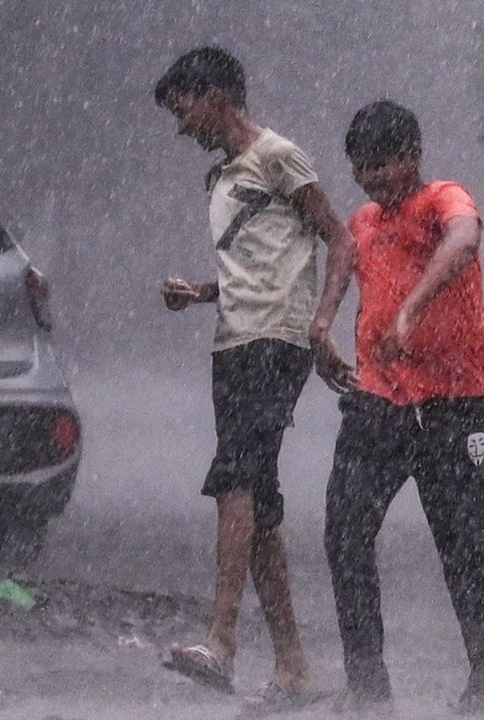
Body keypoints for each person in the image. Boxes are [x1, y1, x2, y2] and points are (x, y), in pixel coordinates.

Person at [151, 46, 357, 712]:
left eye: (183, 110)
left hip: (275, 342)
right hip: (233, 341)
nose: (181, 126)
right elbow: (259, 262)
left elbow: (340, 239)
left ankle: (222, 639)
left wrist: (321, 326)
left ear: (215, 97)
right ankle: (293, 666)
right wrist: (203, 292)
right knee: (259, 503)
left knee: (235, 477)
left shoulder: (278, 156)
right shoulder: (220, 177)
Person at [317, 100, 484, 714]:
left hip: (456, 406)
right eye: (360, 170)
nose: (370, 181)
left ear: (413, 155)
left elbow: (464, 238)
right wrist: (321, 325)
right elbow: (341, 259)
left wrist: (411, 310)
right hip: (378, 403)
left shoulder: (443, 200)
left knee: (462, 541)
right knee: (345, 534)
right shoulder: (363, 221)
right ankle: (367, 686)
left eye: (381, 166)